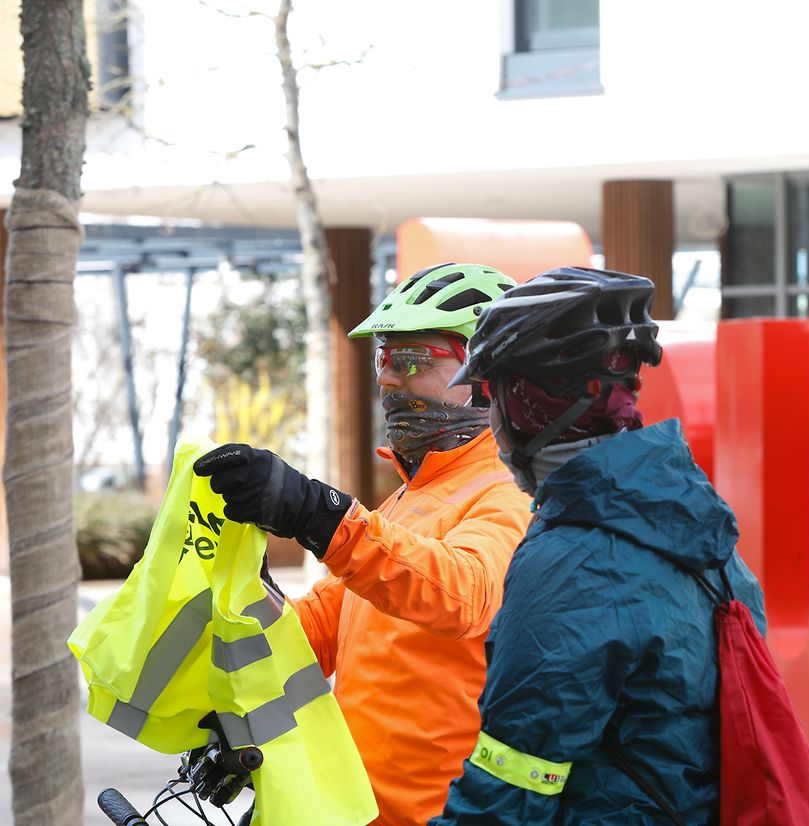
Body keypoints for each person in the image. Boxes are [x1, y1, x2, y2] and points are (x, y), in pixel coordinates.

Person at [193, 263, 532, 825]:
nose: (388, 379)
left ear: (490, 376)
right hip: (351, 806)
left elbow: (465, 594)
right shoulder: (410, 499)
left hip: (435, 813)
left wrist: (316, 514)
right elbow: (324, 627)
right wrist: (230, 680)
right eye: (383, 359)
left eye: (413, 359)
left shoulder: (510, 491)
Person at [432, 267, 766, 824]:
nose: (489, 419)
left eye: (492, 396)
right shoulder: (698, 528)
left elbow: (511, 783)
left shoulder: (572, 562)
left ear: (526, 405)